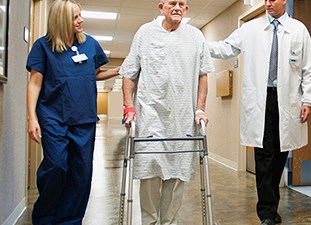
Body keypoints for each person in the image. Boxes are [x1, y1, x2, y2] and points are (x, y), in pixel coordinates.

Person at [208, 0, 311, 224]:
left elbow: (308, 67)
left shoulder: (298, 29)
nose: (267, 3)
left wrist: (308, 100)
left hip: (288, 99)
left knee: (280, 152)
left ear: (284, 1)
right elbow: (225, 48)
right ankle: (267, 212)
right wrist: (197, 43)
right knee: (264, 154)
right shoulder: (250, 29)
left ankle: (272, 203)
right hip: (261, 99)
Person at [120, 0, 214, 224]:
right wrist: (129, 107)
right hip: (150, 116)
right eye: (173, 3)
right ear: (161, 7)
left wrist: (200, 108)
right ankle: (149, 221)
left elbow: (203, 75)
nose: (177, 7)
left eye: (182, 4)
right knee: (150, 171)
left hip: (182, 118)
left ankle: (168, 222)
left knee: (177, 174)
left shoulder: (195, 36)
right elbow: (129, 73)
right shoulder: (145, 33)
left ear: (187, 10)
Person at [26, 0, 120, 224]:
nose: (81, 20)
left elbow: (95, 73)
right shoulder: (42, 46)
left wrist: (118, 71)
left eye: (80, 15)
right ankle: (45, 216)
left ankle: (69, 220)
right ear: (61, 20)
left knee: (81, 172)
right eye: (75, 17)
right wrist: (32, 118)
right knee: (56, 166)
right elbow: (34, 83)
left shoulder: (90, 44)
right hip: (53, 117)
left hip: (84, 118)